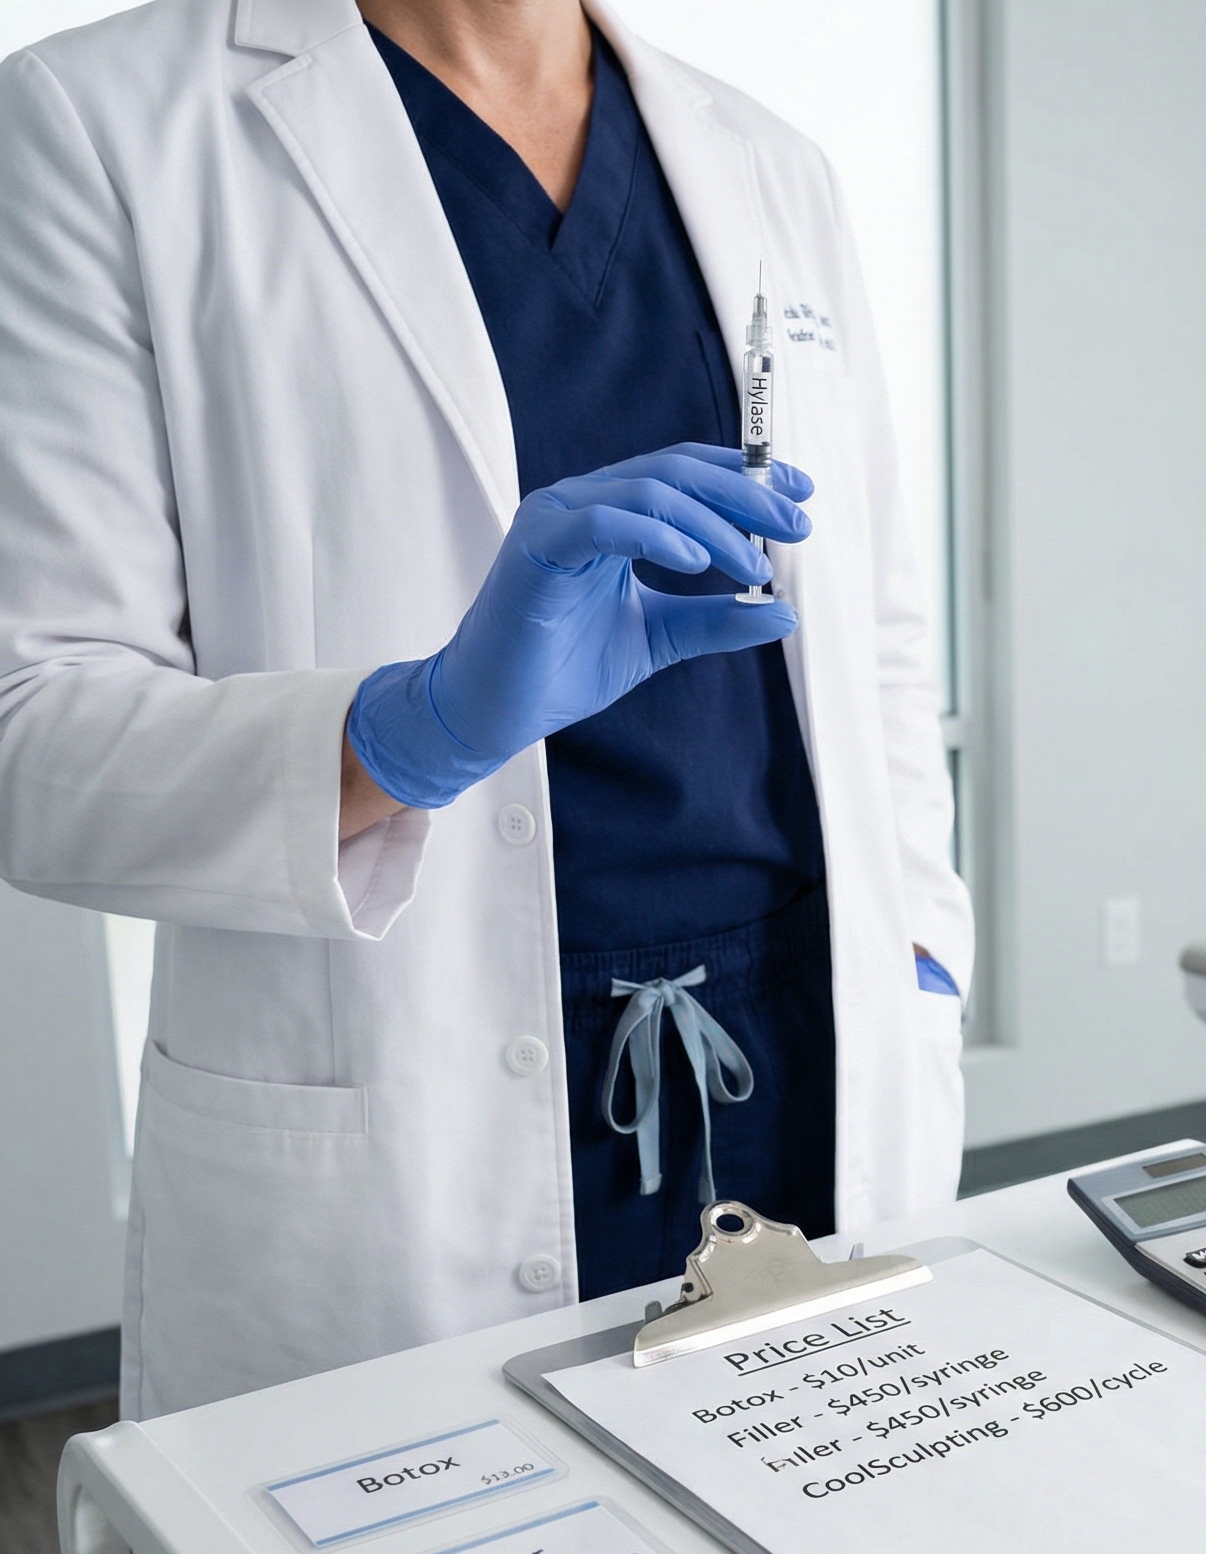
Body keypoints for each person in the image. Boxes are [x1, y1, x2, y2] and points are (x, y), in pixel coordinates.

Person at [0, 0, 971, 1417]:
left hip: (808, 1057)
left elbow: (876, 626)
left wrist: (921, 958)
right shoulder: (99, 127)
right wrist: (413, 731)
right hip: (415, 1104)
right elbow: (32, 735)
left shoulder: (767, 162)